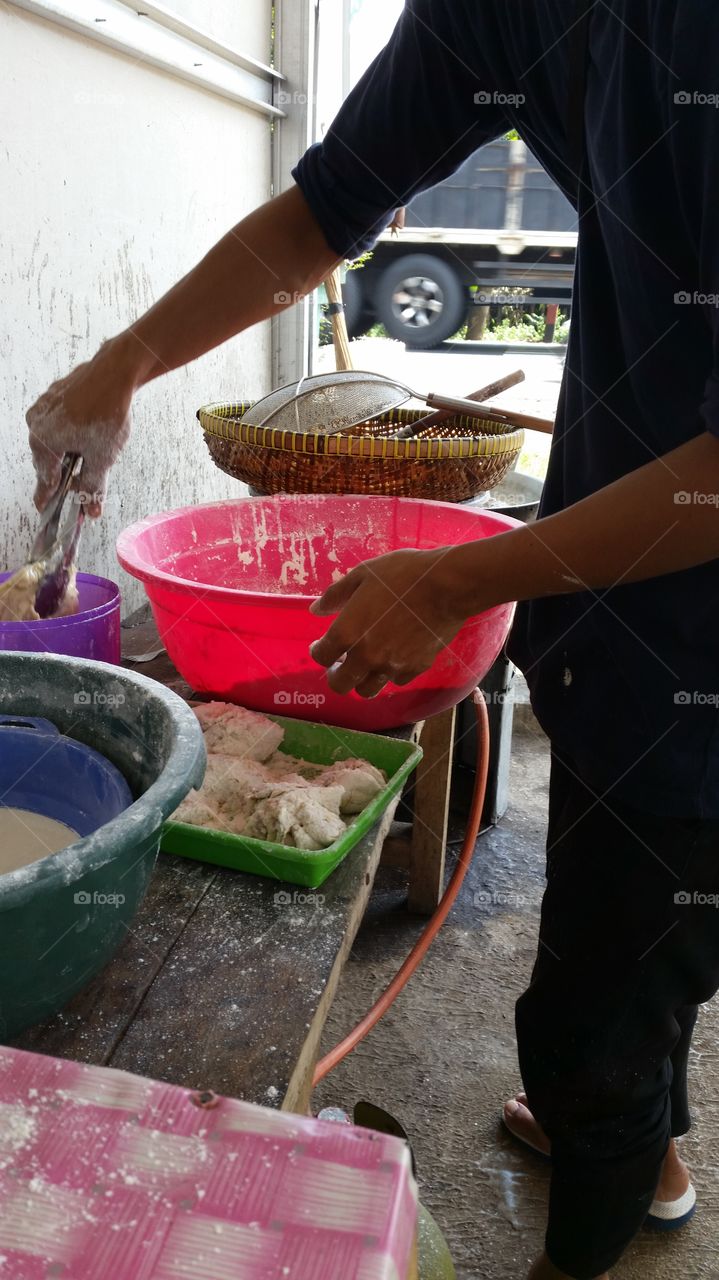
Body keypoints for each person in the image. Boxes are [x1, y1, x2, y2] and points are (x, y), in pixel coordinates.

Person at [25, 3, 719, 1277]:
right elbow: (324, 206)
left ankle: (595, 1199)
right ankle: (638, 1140)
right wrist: (126, 359)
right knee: (617, 935)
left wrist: (468, 575)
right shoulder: (488, 15)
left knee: (598, 997)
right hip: (626, 541)